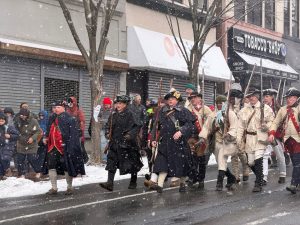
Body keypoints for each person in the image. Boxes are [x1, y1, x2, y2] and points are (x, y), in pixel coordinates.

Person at [151, 90, 194, 193]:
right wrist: (153, 139)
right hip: (165, 142)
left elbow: (190, 125)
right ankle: (160, 186)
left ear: (177, 100)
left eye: (173, 98)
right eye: (169, 98)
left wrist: (181, 131)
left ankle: (182, 183)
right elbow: (156, 126)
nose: (170, 100)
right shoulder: (162, 111)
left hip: (179, 143)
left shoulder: (183, 111)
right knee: (162, 164)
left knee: (182, 164)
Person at [99, 95, 143, 191]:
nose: (118, 105)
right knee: (111, 161)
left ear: (125, 104)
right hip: (115, 142)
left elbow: (137, 126)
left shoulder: (131, 113)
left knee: (132, 163)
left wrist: (130, 135)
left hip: (128, 143)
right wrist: (107, 133)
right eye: (117, 103)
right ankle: (110, 183)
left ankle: (133, 180)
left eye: (120, 103)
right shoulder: (113, 114)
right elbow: (108, 126)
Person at [44, 100, 85, 195]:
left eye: (58, 107)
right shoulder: (51, 118)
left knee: (67, 167)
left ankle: (69, 187)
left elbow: (74, 135)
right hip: (52, 146)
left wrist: (70, 146)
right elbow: (48, 129)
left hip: (64, 147)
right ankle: (54, 188)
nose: (56, 109)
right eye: (54, 107)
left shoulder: (70, 119)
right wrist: (45, 137)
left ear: (64, 108)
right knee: (51, 166)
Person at [237, 88, 274, 192]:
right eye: (249, 96)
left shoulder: (265, 108)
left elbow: (272, 121)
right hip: (249, 138)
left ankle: (258, 183)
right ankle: (260, 176)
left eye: (253, 95)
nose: (251, 98)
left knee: (258, 159)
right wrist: (238, 139)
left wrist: (266, 126)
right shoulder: (244, 110)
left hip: (260, 137)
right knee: (250, 162)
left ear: (257, 96)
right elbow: (240, 127)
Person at [199, 94, 238, 191]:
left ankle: (219, 182)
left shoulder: (231, 114)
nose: (220, 105)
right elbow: (206, 127)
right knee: (221, 162)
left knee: (221, 161)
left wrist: (229, 134)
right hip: (215, 142)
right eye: (218, 103)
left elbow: (235, 127)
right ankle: (231, 177)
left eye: (222, 103)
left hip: (226, 142)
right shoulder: (213, 115)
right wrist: (202, 137)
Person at [268, 88, 300, 194]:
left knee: (296, 162)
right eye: (287, 98)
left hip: (298, 140)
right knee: (296, 162)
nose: (288, 100)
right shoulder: (283, 109)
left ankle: (293, 184)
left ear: (296, 98)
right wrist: (272, 133)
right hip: (288, 140)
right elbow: (275, 122)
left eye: (290, 98)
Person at [185, 91, 212, 189]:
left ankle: (201, 179)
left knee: (201, 161)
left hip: (202, 137)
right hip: (191, 137)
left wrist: (205, 118)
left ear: (200, 98)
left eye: (195, 97)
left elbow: (211, 123)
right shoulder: (187, 110)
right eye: (191, 98)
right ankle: (193, 177)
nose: (192, 99)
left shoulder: (206, 109)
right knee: (191, 159)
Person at [262, 89, 286, 185]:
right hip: (265, 134)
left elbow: (281, 121)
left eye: (267, 96)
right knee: (265, 155)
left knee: (280, 155)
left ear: (272, 97)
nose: (265, 98)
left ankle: (283, 174)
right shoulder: (261, 107)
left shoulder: (277, 108)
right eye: (264, 96)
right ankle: (263, 177)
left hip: (276, 135)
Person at [14, 108, 41, 178]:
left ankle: (38, 171)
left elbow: (38, 131)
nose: (22, 116)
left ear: (28, 115)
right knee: (20, 160)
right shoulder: (17, 120)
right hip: (21, 143)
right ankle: (21, 174)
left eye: (24, 115)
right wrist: (18, 136)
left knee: (32, 159)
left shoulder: (33, 121)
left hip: (31, 144)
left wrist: (32, 138)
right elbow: (14, 130)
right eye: (21, 115)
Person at [66, 96, 88, 163]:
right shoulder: (67, 110)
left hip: (78, 131)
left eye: (71, 102)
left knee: (80, 146)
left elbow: (82, 121)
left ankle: (85, 158)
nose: (70, 103)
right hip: (70, 131)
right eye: (69, 102)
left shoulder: (78, 111)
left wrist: (81, 130)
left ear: (74, 102)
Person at [0, 112, 19, 180]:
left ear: (5, 120)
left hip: (7, 145)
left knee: (4, 158)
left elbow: (17, 135)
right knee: (1, 160)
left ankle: (7, 170)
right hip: (0, 146)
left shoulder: (9, 127)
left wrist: (10, 136)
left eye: (2, 121)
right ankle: (1, 174)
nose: (1, 122)